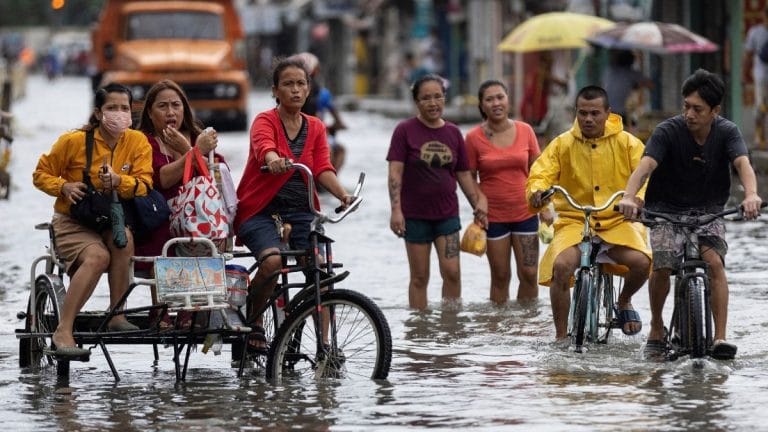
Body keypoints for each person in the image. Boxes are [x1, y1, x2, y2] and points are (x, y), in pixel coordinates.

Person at [617, 69, 763, 360]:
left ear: (715, 111)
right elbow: (644, 167)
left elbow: (743, 165)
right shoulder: (667, 131)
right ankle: (657, 328)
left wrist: (750, 195)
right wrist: (629, 197)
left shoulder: (727, 132)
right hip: (666, 210)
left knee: (715, 264)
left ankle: (720, 337)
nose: (689, 114)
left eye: (697, 109)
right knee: (661, 266)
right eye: (686, 106)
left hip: (709, 211)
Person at [234, 57, 353, 350]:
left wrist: (343, 195)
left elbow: (323, 168)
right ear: (275, 90)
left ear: (309, 89)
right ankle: (255, 321)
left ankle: (325, 345)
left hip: (301, 213)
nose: (296, 90)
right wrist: (274, 162)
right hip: (260, 211)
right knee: (273, 261)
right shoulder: (265, 120)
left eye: (301, 84)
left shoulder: (315, 127)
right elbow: (265, 148)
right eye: (288, 84)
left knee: (321, 272)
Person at [32, 83, 153, 357]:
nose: (119, 114)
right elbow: (40, 174)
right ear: (98, 113)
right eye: (112, 108)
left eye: (124, 108)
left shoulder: (137, 142)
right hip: (73, 219)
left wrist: (121, 182)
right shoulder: (72, 141)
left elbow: (145, 184)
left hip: (111, 216)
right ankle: (64, 329)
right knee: (98, 257)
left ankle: (117, 315)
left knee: (124, 240)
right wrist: (64, 187)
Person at [526, 85, 651, 341]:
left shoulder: (628, 143)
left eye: (595, 113)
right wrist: (537, 192)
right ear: (576, 112)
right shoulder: (561, 144)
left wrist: (637, 200)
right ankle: (561, 336)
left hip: (617, 221)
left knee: (642, 262)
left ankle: (624, 301)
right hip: (575, 221)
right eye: (583, 113)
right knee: (560, 267)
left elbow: (647, 176)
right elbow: (540, 174)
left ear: (608, 113)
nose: (588, 119)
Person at [386, 74, 485, 310]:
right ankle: (420, 328)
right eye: (426, 98)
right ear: (416, 102)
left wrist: (478, 204)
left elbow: (462, 174)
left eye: (438, 97)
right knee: (420, 277)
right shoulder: (404, 130)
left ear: (445, 99)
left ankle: (450, 324)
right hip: (415, 216)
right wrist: (396, 211)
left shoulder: (453, 132)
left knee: (452, 272)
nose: (433, 103)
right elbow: (395, 173)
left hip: (447, 215)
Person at [134, 79, 220, 328]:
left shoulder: (198, 136)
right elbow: (161, 178)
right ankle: (160, 309)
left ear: (185, 109)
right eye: (163, 106)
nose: (171, 112)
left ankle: (192, 309)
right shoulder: (144, 142)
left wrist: (188, 147)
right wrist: (193, 152)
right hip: (157, 211)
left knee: (201, 233)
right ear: (150, 112)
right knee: (162, 233)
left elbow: (212, 176)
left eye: (176, 105)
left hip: (196, 213)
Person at [464, 79, 551, 304]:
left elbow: (538, 171)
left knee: (530, 274)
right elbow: (467, 177)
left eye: (500, 97)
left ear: (508, 100)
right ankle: (500, 330)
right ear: (482, 105)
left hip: (526, 212)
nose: (496, 103)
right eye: (489, 99)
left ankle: (526, 328)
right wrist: (478, 202)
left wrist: (544, 206)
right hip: (493, 216)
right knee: (501, 277)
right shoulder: (473, 138)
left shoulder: (525, 130)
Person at [292, 52, 348, 172]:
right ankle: (330, 180)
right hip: (314, 136)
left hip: (298, 137)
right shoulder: (322, 94)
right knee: (337, 150)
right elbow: (339, 122)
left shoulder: (286, 94)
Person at [602, 50, 653, 131]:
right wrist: (638, 82)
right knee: (634, 127)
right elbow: (651, 85)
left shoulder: (609, 70)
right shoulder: (631, 73)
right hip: (617, 112)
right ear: (631, 62)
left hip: (604, 108)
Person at [743, 6, 768, 149]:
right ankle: (760, 137)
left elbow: (748, 56)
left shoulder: (754, 32)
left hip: (760, 76)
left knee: (760, 107)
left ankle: (761, 138)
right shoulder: (755, 32)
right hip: (761, 77)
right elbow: (748, 55)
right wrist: (745, 74)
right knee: (760, 107)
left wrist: (745, 73)